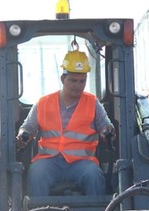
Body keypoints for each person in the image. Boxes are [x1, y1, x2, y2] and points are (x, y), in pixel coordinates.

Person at [15, 49, 114, 196]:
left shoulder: (93, 103)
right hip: (49, 162)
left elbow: (106, 126)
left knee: (93, 174)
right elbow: (28, 127)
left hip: (82, 162)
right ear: (63, 79)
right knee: (37, 173)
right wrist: (24, 135)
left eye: (82, 81)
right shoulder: (43, 103)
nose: (78, 85)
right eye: (73, 80)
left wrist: (108, 132)